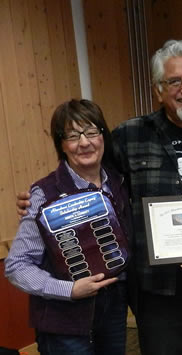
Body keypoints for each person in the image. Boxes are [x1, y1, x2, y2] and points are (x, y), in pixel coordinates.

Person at [17, 39, 182, 355]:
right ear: (159, 90)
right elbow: (92, 176)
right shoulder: (130, 136)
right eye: (175, 81)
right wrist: (45, 198)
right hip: (158, 293)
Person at [5, 99, 131, 355]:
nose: (84, 143)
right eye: (72, 136)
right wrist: (69, 290)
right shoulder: (44, 194)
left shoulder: (118, 183)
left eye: (92, 132)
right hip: (63, 322)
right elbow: (17, 265)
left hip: (113, 312)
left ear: (103, 136)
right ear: (61, 145)